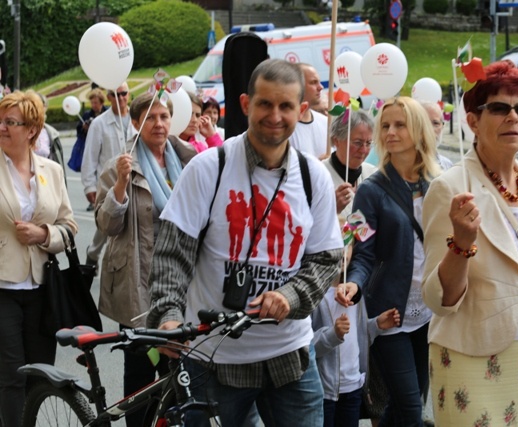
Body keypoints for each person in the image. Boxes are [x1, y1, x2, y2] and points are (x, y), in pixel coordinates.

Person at [147, 58, 343, 427]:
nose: (275, 115)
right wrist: (168, 316)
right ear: (244, 104)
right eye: (265, 104)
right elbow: (172, 255)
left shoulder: (313, 176)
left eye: (286, 106)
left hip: (290, 357)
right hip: (212, 361)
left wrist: (290, 296)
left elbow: (326, 258)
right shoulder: (208, 168)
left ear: (301, 110)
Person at [421, 61, 518, 426]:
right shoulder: (450, 187)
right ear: (473, 121)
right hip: (470, 353)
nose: (513, 117)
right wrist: (462, 244)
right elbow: (439, 299)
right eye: (499, 108)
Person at [94, 93, 196, 427]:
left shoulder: (189, 160)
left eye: (164, 116)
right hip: (137, 284)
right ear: (136, 123)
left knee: (179, 373)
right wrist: (121, 184)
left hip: (180, 282)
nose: (159, 124)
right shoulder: (120, 165)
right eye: (150, 118)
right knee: (139, 375)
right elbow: (107, 225)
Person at [338, 96, 441, 427]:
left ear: (418, 129)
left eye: (400, 124)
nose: (390, 132)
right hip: (389, 312)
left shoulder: (438, 183)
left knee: (408, 403)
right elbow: (360, 247)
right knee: (412, 409)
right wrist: (354, 281)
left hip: (430, 310)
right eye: (385, 125)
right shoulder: (369, 189)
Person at [0, 90, 77, 426]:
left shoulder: (52, 170)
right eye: (0, 120)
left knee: (39, 373)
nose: (2, 127)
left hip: (43, 289)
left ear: (31, 129)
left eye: (10, 122)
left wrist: (44, 235)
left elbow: (69, 225)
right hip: (2, 288)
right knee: (11, 374)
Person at [311, 244, 400, 427]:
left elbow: (357, 335)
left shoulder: (355, 292)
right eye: (336, 244)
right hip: (324, 392)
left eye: (348, 245)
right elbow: (307, 346)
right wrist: (333, 334)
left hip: (353, 386)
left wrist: (376, 325)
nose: (343, 252)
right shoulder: (315, 296)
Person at [81, 83, 135, 267]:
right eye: (114, 94)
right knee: (104, 227)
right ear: (108, 97)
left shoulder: (138, 120)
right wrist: (89, 185)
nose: (120, 98)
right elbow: (90, 156)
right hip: (108, 185)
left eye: (123, 94)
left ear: (129, 94)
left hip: (134, 184)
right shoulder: (99, 124)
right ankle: (92, 258)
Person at [322, 109, 376, 222]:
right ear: (336, 140)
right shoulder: (319, 175)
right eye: (357, 143)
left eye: (368, 143)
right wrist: (332, 209)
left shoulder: (373, 174)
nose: (364, 150)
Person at [69, 89, 108, 197]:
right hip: (91, 146)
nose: (93, 105)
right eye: (92, 102)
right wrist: (84, 128)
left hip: (104, 147)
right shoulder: (87, 115)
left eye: (95, 102)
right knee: (91, 170)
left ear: (101, 103)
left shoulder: (107, 113)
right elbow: (79, 132)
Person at [289, 63, 329, 159]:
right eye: (313, 82)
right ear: (297, 86)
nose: (321, 87)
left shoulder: (326, 122)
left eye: (319, 82)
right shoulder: (284, 127)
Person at [34, 93, 67, 186]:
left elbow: (59, 164)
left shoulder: (51, 133)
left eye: (40, 105)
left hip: (48, 182)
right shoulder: (21, 131)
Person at [420, 101, 453, 171]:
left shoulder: (448, 166)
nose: (430, 129)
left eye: (435, 123)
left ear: (442, 126)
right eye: (424, 122)